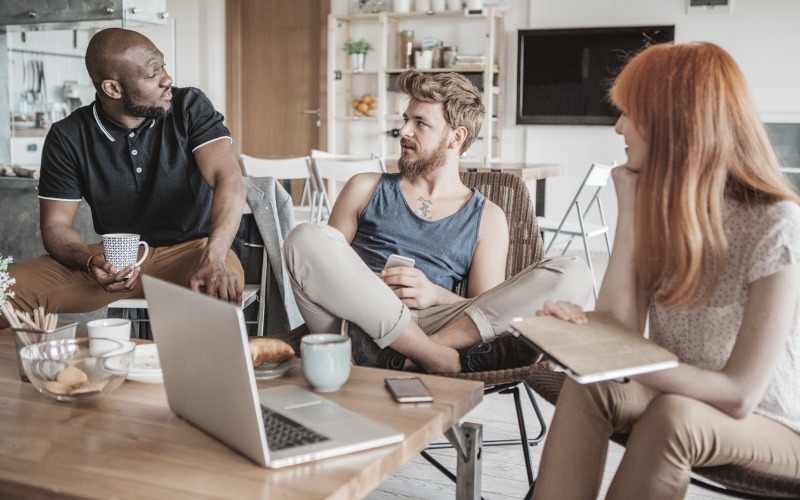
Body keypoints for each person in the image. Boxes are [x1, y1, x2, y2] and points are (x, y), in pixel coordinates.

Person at [533, 42, 800, 499]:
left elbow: (739, 395)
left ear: (676, 121)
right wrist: (585, 344)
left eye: (629, 113)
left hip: (772, 422)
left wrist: (611, 357)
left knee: (674, 417)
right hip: (677, 397)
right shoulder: (660, 209)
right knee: (589, 387)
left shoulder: (776, 223)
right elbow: (621, 331)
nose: (618, 127)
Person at [284, 69, 593, 374]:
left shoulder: (487, 218)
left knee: (573, 272)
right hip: (355, 325)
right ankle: (434, 358)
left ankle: (410, 356)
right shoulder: (364, 187)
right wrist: (368, 285)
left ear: (455, 137)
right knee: (306, 236)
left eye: (420, 123)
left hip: (435, 321)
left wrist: (435, 294)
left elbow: (488, 307)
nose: (404, 131)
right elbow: (324, 266)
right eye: (406, 119)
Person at [0, 28, 245, 329]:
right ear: (113, 89)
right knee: (4, 293)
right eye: (152, 73)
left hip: (194, 251)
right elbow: (55, 226)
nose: (167, 79)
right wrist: (90, 263)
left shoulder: (188, 106)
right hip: (117, 257)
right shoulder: (68, 136)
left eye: (163, 66)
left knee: (219, 297)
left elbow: (229, 180)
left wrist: (215, 257)